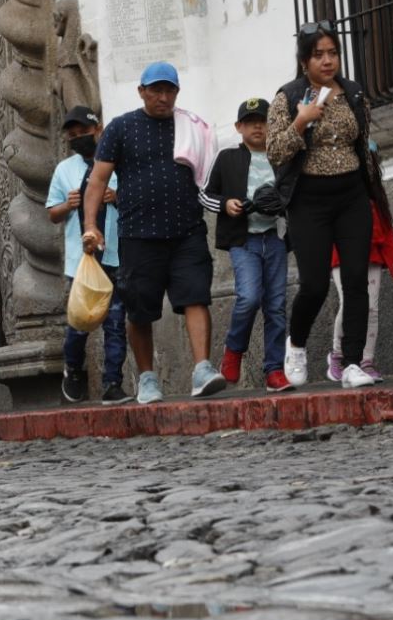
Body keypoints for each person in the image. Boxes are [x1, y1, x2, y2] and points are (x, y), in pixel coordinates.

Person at [81, 62, 227, 404]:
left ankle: (202, 368)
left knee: (196, 296)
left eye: (170, 90)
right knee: (139, 310)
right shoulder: (121, 129)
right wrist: (91, 225)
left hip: (187, 231)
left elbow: (207, 171)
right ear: (141, 91)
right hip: (138, 236)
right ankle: (147, 378)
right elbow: (97, 181)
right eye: (156, 90)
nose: (163, 97)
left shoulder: (190, 126)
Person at [268, 21, 379, 389]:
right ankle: (296, 344)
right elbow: (275, 151)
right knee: (314, 285)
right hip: (308, 201)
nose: (327, 61)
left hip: (351, 197)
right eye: (319, 55)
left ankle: (351, 363)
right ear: (304, 61)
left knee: (355, 283)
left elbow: (362, 143)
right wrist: (300, 122)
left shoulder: (353, 93)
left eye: (333, 53)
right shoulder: (287, 98)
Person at [201, 98, 293, 393]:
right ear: (239, 127)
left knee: (277, 307)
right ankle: (233, 349)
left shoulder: (282, 158)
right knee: (249, 297)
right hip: (244, 241)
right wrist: (225, 204)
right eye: (251, 121)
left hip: (276, 239)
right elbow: (205, 195)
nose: (257, 126)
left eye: (263, 120)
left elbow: (296, 194)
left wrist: (281, 205)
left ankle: (274, 370)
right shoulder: (227, 158)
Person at [47, 105, 130, 405]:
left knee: (115, 321)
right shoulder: (64, 170)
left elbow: (134, 199)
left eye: (84, 132)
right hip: (81, 260)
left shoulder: (117, 164)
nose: (79, 138)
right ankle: (73, 369)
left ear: (98, 130)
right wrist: (66, 206)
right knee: (79, 322)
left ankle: (113, 382)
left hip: (115, 256)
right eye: (73, 135)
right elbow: (52, 214)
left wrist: (117, 197)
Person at [326, 142, 393, 383]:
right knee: (349, 301)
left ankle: (366, 360)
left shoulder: (375, 194)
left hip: (372, 255)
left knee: (371, 308)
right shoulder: (333, 191)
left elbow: (386, 230)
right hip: (342, 255)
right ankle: (338, 355)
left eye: (369, 159)